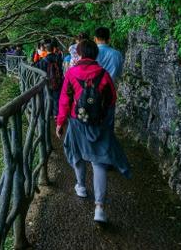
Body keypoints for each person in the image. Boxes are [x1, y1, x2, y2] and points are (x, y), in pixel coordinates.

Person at [56, 40, 130, 223]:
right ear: (96, 54)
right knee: (99, 163)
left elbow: (65, 99)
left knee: (78, 154)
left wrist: (60, 122)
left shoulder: (72, 73)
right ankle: (99, 208)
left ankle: (81, 186)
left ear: (79, 54)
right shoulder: (104, 75)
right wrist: (107, 124)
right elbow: (112, 100)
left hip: (76, 122)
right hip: (99, 124)